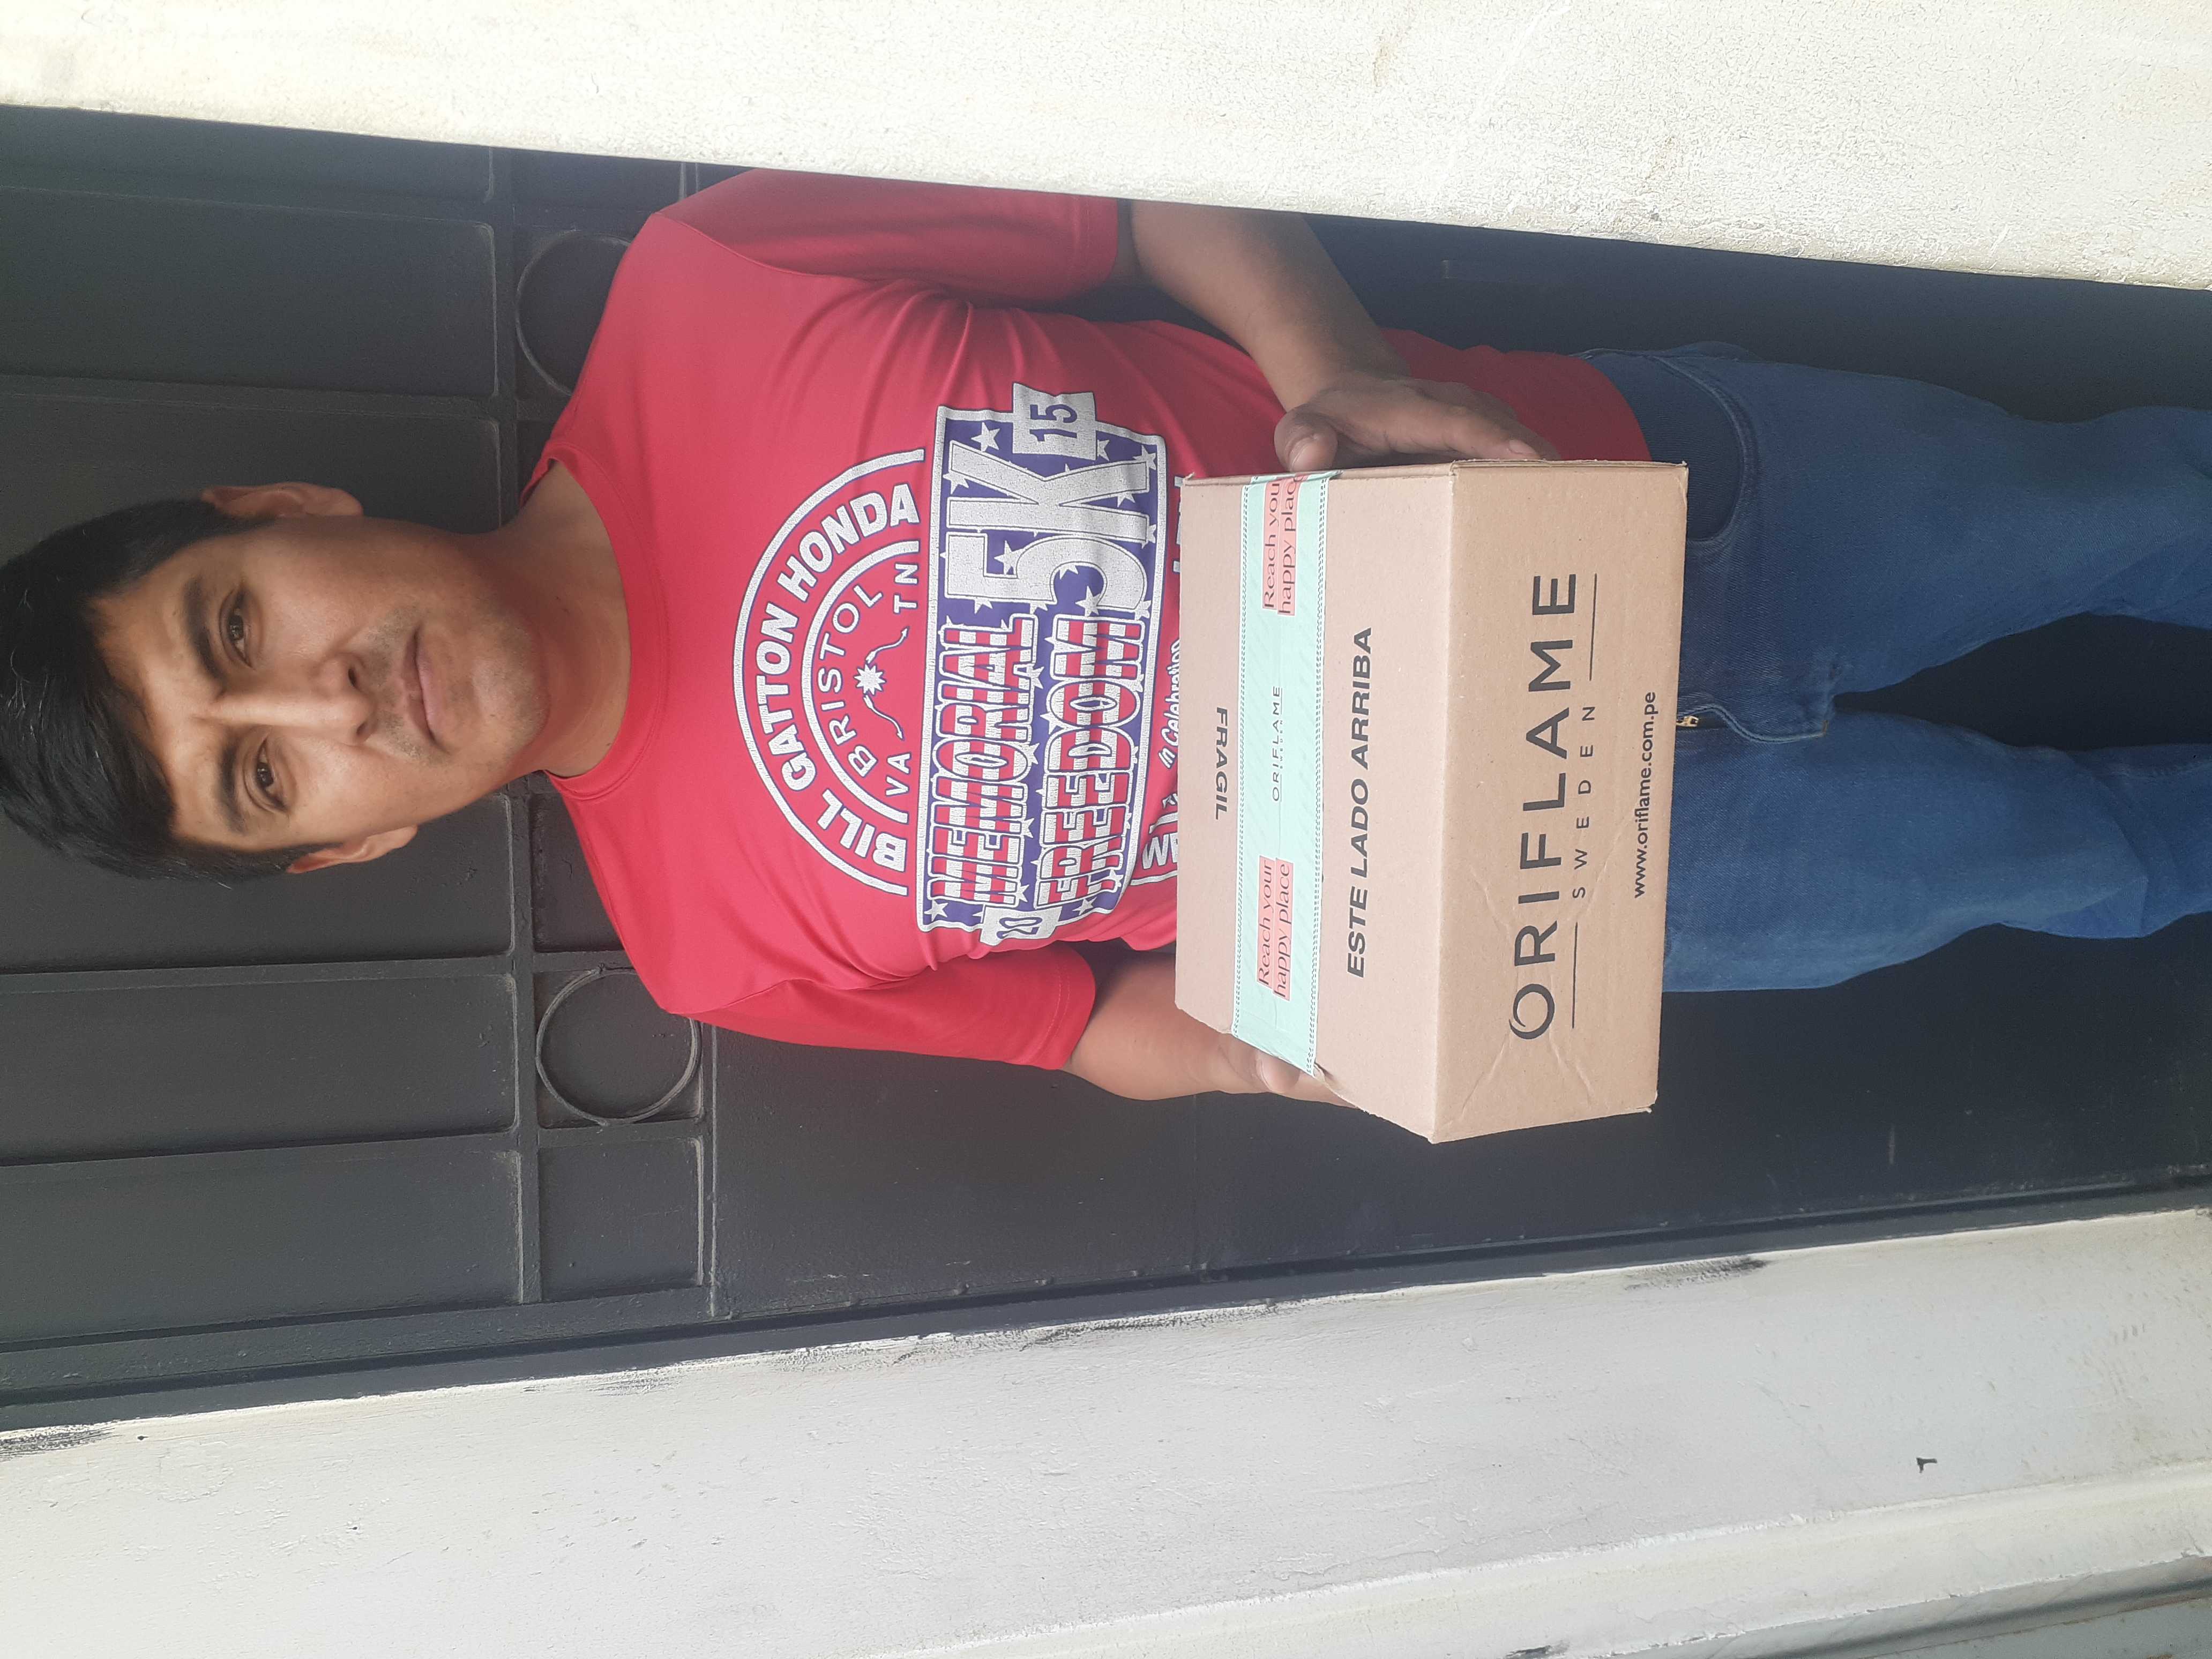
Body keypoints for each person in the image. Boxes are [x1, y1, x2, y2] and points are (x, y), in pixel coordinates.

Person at [2, 171, 2207, 1107]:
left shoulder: (709, 287)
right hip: (1580, 882)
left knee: (2130, 503)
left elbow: (1142, 192)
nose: (321, 698)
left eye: (236, 627)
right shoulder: (708, 958)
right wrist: (1302, 1051)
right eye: (263, 770)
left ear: (285, 517)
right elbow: (1093, 1030)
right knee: (2086, 867)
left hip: (1610, 484)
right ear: (346, 848)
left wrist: (1327, 363)